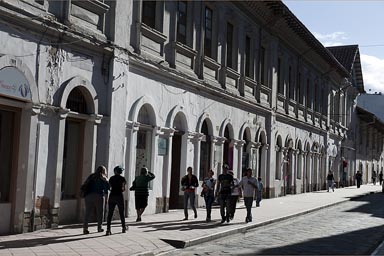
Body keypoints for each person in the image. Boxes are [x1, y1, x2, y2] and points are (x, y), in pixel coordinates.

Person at [83, 165, 110, 234]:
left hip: (88, 196)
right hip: (99, 196)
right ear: (104, 171)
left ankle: (85, 228)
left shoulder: (91, 176)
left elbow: (85, 184)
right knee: (100, 212)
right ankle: (99, 227)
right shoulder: (103, 178)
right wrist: (106, 199)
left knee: (87, 213)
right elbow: (107, 189)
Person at [106, 166, 127, 236]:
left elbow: (109, 187)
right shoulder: (122, 179)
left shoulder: (111, 178)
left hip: (112, 196)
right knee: (121, 212)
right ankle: (123, 227)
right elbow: (123, 188)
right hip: (119, 196)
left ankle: (108, 229)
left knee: (110, 213)